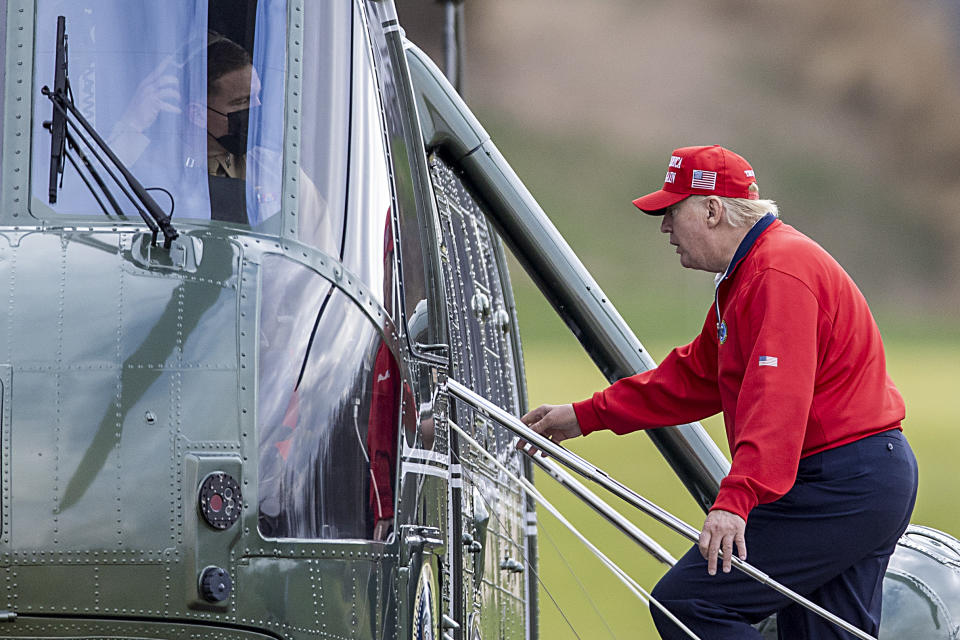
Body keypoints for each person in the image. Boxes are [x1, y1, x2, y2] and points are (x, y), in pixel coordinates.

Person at [520, 145, 917, 639]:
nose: (664, 227)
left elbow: (777, 404)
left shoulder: (777, 272)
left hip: (840, 482)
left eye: (672, 211)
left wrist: (735, 500)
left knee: (687, 603)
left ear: (712, 209)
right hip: (857, 477)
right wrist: (583, 416)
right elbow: (694, 377)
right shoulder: (752, 271)